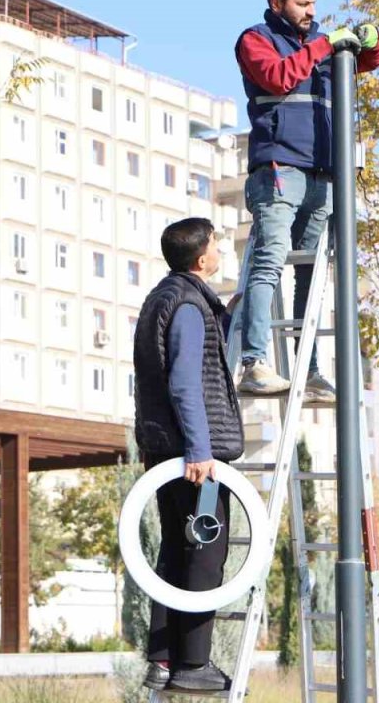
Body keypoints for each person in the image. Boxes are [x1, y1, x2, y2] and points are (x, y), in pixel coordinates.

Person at [235, 0, 379, 401]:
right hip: (279, 169)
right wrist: (322, 46)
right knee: (270, 261)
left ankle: (310, 370)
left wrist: (372, 43)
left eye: (313, 3)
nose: (309, 11)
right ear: (276, 3)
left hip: (322, 174)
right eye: (301, 3)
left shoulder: (319, 47)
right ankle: (254, 362)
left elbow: (367, 63)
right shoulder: (256, 40)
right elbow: (278, 77)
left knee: (310, 275)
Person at [133, 217, 244, 693]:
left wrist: (232, 311)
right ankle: (194, 665)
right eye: (217, 243)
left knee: (176, 552)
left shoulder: (166, 297)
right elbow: (184, 381)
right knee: (204, 552)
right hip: (189, 456)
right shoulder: (189, 308)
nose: (220, 249)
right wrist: (199, 450)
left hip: (165, 449)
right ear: (202, 258)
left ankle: (162, 660)